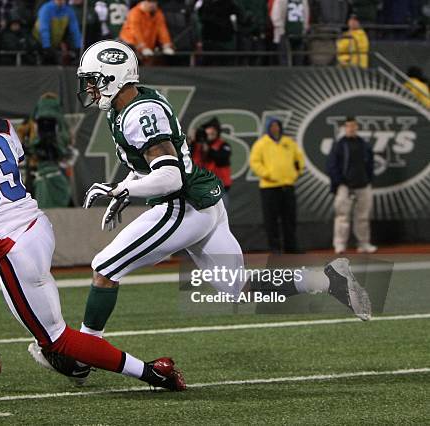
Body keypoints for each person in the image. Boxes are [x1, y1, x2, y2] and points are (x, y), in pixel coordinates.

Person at [30, 40, 371, 384]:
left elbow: (169, 174)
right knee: (236, 288)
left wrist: (123, 189)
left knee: (104, 267)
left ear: (114, 77)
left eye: (94, 79)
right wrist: (126, 188)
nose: (89, 87)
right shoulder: (127, 106)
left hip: (183, 205)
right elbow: (151, 166)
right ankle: (327, 279)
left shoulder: (139, 113)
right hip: (200, 203)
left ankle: (84, 354)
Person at [0, 76, 185, 391]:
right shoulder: (1, 127)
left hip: (11, 247)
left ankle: (152, 373)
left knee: (56, 339)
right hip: (36, 225)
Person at [249, 118, 303, 254]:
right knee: (271, 219)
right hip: (269, 187)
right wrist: (267, 174)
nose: (275, 128)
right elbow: (254, 162)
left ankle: (291, 246)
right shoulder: (261, 144)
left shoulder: (289, 142)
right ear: (268, 128)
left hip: (287, 185)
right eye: (272, 126)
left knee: (289, 218)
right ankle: (275, 247)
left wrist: (296, 173)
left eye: (277, 125)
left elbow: (299, 159)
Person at [327, 117, 376, 254]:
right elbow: (331, 165)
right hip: (344, 186)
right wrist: (340, 181)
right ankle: (340, 244)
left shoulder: (364, 144)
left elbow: (370, 164)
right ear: (344, 128)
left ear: (357, 127)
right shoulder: (339, 145)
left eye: (354, 126)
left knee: (363, 216)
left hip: (363, 185)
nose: (351, 128)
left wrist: (368, 179)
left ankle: (364, 243)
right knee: (342, 216)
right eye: (348, 126)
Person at [191, 118, 232, 208]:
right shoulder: (197, 146)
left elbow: (222, 159)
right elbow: (188, 159)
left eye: (213, 131)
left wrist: (209, 150)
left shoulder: (223, 145)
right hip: (199, 188)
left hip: (219, 187)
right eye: (208, 131)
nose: (211, 134)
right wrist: (192, 141)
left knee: (221, 214)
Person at [33, 0, 82, 65]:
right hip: (39, 42)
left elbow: (75, 31)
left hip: (54, 43)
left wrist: (78, 47)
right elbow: (44, 29)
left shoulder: (69, 10)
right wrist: (47, 46)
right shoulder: (46, 9)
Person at [270, 0, 309, 65]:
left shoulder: (304, 1)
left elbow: (306, 14)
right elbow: (275, 15)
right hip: (284, 35)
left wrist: (304, 29)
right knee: (285, 61)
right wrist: (281, 30)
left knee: (298, 60)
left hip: (299, 34)